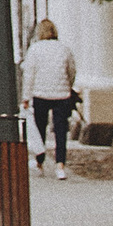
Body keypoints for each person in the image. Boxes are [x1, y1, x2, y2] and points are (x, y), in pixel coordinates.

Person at [21, 20, 78, 171]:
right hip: (62, 95)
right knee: (61, 130)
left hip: (40, 94)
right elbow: (71, 70)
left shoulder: (35, 49)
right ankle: (60, 165)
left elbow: (29, 75)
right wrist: (68, 86)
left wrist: (26, 97)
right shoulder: (64, 49)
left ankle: (40, 161)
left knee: (40, 127)